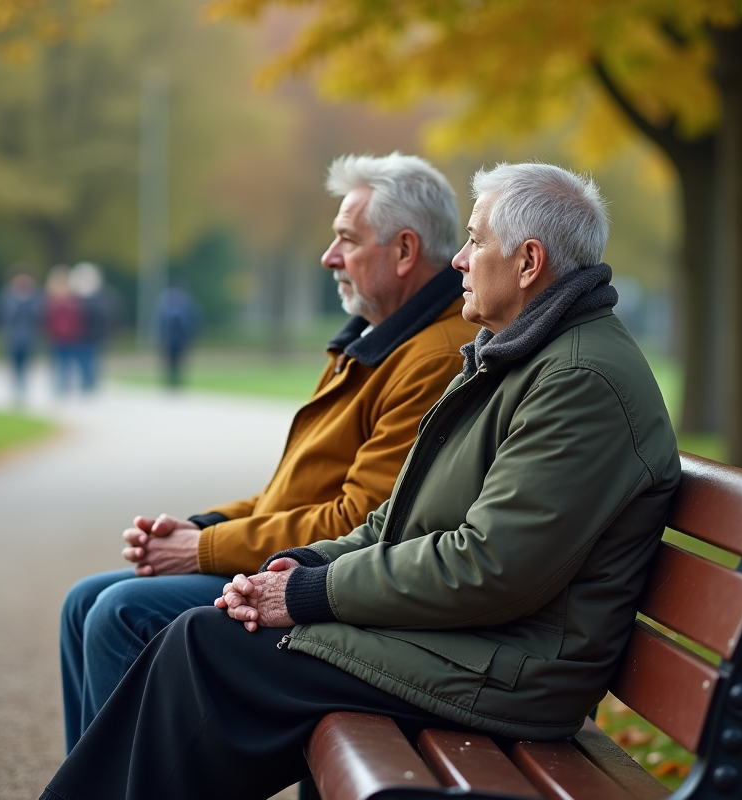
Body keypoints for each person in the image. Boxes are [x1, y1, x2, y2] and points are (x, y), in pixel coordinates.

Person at [41, 162, 681, 800]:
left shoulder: (576, 381)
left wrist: (307, 595)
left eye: (476, 239)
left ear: (529, 262)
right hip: (466, 643)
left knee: (205, 645)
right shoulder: (515, 355)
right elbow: (393, 520)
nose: (458, 258)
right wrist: (299, 566)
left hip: (508, 671)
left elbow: (490, 567)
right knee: (207, 639)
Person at [57, 153, 475, 753]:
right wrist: (201, 527)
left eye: (346, 240)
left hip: (324, 586)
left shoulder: (428, 358)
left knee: (120, 612)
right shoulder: (377, 338)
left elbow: (359, 521)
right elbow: (290, 492)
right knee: (83, 603)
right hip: (286, 561)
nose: (330, 258)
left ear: (405, 251)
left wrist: (200, 552)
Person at [0, 267, 43, 405]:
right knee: (13, 364)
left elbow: (40, 315)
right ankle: (15, 390)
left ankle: (23, 389)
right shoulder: (6, 296)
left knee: (26, 364)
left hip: (29, 336)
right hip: (11, 336)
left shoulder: (35, 297)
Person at [69, 262, 115, 393]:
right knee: (82, 360)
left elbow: (107, 314)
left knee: (93, 360)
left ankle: (90, 382)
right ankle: (85, 382)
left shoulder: (101, 295)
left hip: (95, 335)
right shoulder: (74, 297)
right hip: (78, 335)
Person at [43, 266, 83, 396]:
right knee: (56, 361)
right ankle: (58, 386)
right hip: (54, 335)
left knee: (68, 362)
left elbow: (78, 316)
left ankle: (66, 386)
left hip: (70, 334)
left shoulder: (73, 298)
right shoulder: (49, 298)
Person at [154, 279, 201, 388]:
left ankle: (178, 382)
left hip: (182, 339)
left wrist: (192, 336)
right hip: (169, 339)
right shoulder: (165, 305)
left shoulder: (187, 304)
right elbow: (160, 323)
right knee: (169, 361)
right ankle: (170, 382)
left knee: (181, 361)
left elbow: (194, 321)